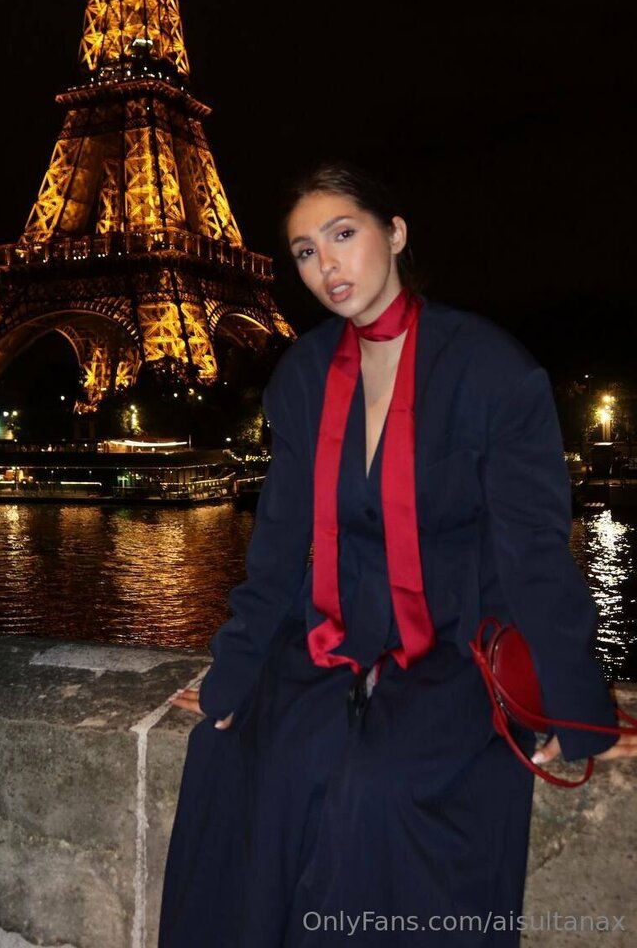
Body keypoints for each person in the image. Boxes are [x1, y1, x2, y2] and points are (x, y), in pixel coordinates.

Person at [158, 163, 637, 947]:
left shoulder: (490, 371)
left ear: (396, 232)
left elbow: (534, 554)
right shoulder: (304, 375)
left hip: (455, 640)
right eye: (305, 251)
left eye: (342, 235)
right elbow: (277, 545)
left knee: (382, 790)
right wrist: (233, 673)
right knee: (243, 761)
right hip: (336, 631)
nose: (326, 265)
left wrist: (578, 705)